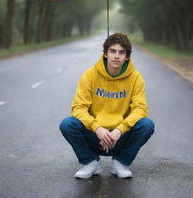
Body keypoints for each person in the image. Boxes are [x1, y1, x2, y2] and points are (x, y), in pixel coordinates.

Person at [59, 33, 154, 179]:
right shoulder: (89, 75)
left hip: (120, 137)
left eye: (121, 52)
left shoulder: (136, 78)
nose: (117, 56)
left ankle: (121, 163)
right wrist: (97, 128)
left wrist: (119, 130)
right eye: (112, 51)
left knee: (146, 125)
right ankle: (91, 162)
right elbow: (78, 108)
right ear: (105, 54)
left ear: (127, 56)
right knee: (67, 124)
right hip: (96, 136)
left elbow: (140, 109)